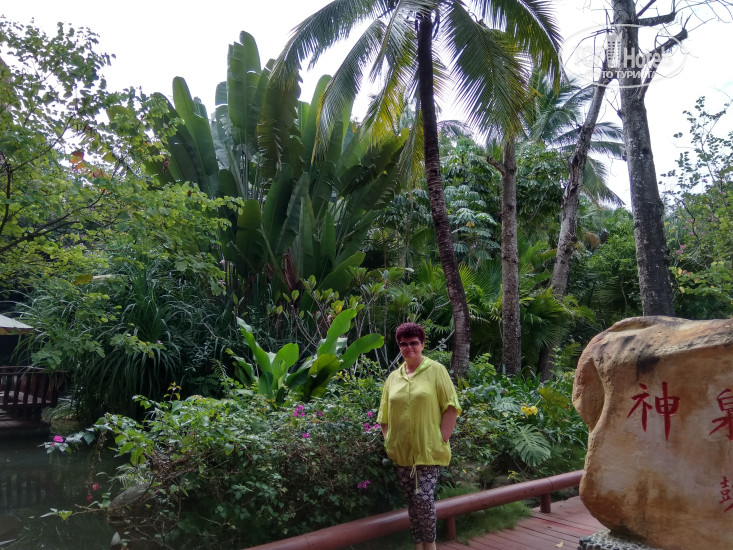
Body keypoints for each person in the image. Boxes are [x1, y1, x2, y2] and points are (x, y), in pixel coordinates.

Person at [377, 322, 461, 550]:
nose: (409, 348)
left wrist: (442, 438)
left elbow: (451, 407)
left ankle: (430, 545)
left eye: (414, 343)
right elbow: (384, 416)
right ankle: (418, 545)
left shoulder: (436, 371)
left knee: (423, 499)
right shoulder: (393, 378)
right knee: (412, 503)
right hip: (402, 452)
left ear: (423, 344)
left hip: (429, 449)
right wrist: (389, 441)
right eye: (403, 344)